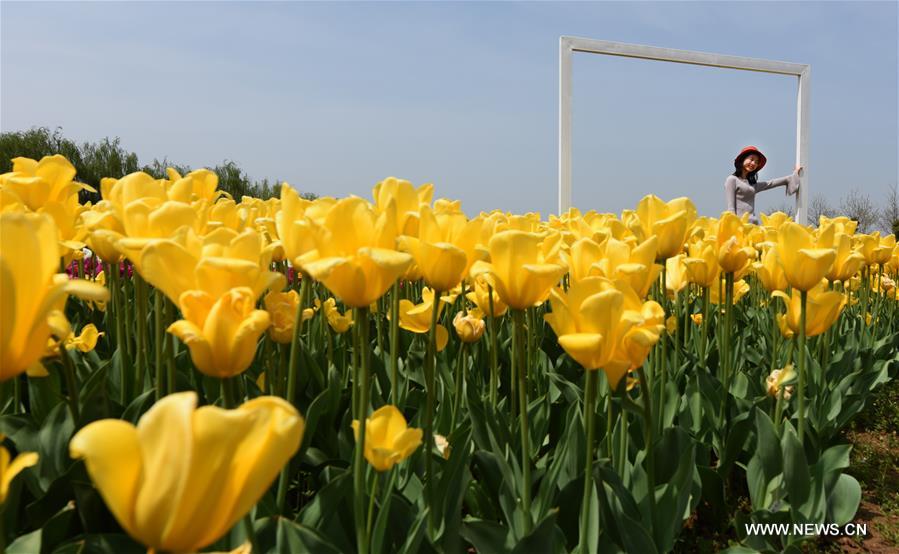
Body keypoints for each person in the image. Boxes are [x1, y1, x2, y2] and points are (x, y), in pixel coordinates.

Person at [724, 146, 801, 224]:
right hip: (739, 225)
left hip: (753, 225)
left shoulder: (752, 185)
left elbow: (770, 183)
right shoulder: (732, 180)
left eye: (756, 162)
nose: (753, 163)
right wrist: (733, 225)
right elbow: (731, 209)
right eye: (751, 159)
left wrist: (794, 174)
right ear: (742, 159)